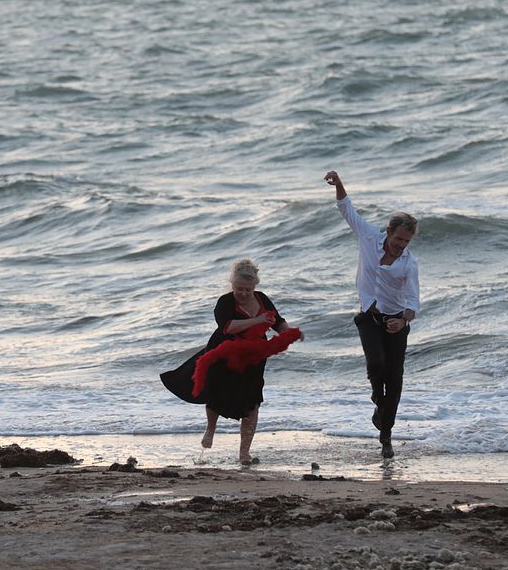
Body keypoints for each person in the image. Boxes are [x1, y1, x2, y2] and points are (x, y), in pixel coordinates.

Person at [160, 258, 301, 465]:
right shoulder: (225, 302)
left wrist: (289, 333)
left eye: (247, 290)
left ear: (255, 286)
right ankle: (210, 429)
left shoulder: (262, 299)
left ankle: (244, 454)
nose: (243, 293)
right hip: (223, 355)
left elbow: (278, 322)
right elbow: (228, 327)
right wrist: (257, 320)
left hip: (253, 358)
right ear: (232, 284)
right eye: (239, 289)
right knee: (216, 395)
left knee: (252, 403)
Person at [324, 170, 419, 458]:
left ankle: (386, 435)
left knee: (396, 378)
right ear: (389, 231)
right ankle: (378, 400)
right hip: (369, 316)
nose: (401, 245)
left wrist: (402, 320)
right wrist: (339, 185)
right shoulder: (368, 237)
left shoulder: (409, 264)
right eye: (399, 239)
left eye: (406, 242)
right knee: (376, 364)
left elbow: (413, 301)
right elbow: (347, 209)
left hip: (396, 323)